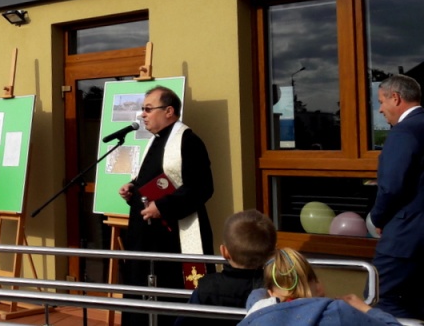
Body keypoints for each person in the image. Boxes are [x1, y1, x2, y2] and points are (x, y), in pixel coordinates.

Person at [118, 86, 215, 326]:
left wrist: (162, 206)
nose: (143, 115)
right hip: (147, 235)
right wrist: (133, 187)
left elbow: (202, 187)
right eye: (143, 109)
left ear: (169, 111)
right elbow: (156, 179)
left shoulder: (188, 141)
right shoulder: (156, 141)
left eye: (148, 109)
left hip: (174, 237)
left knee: (170, 298)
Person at [369, 74, 424, 320]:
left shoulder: (404, 132)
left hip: (404, 240)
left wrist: (377, 218)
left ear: (396, 98)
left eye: (381, 101)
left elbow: (391, 187)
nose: (380, 109)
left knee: (379, 300)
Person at [240, 248, 400, 325]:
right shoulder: (337, 312)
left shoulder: (258, 313)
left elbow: (256, 294)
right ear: (317, 284)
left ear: (270, 292)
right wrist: (365, 308)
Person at [175, 209, 276, 326]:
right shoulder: (275, 289)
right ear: (271, 254)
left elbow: (183, 322)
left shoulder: (207, 288)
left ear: (224, 251)